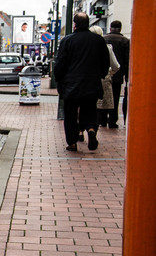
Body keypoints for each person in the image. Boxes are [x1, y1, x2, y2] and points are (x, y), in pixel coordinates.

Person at [54, 12, 110, 151]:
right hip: (92, 83)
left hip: (71, 85)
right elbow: (105, 62)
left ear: (75, 24)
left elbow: (60, 63)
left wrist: (59, 80)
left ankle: (72, 142)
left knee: (71, 114)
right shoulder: (98, 40)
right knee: (90, 109)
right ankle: (91, 129)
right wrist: (100, 75)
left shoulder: (67, 40)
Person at [90, 25, 120, 129]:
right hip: (103, 79)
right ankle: (95, 128)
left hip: (87, 80)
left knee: (88, 106)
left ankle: (84, 129)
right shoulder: (107, 48)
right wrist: (110, 73)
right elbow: (116, 65)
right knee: (101, 105)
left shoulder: (85, 47)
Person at [103, 20, 130, 127]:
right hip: (118, 73)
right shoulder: (125, 41)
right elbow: (127, 59)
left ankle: (102, 119)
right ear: (120, 28)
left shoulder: (104, 39)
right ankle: (112, 120)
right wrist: (126, 75)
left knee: (103, 96)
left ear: (110, 28)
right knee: (115, 96)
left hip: (104, 73)